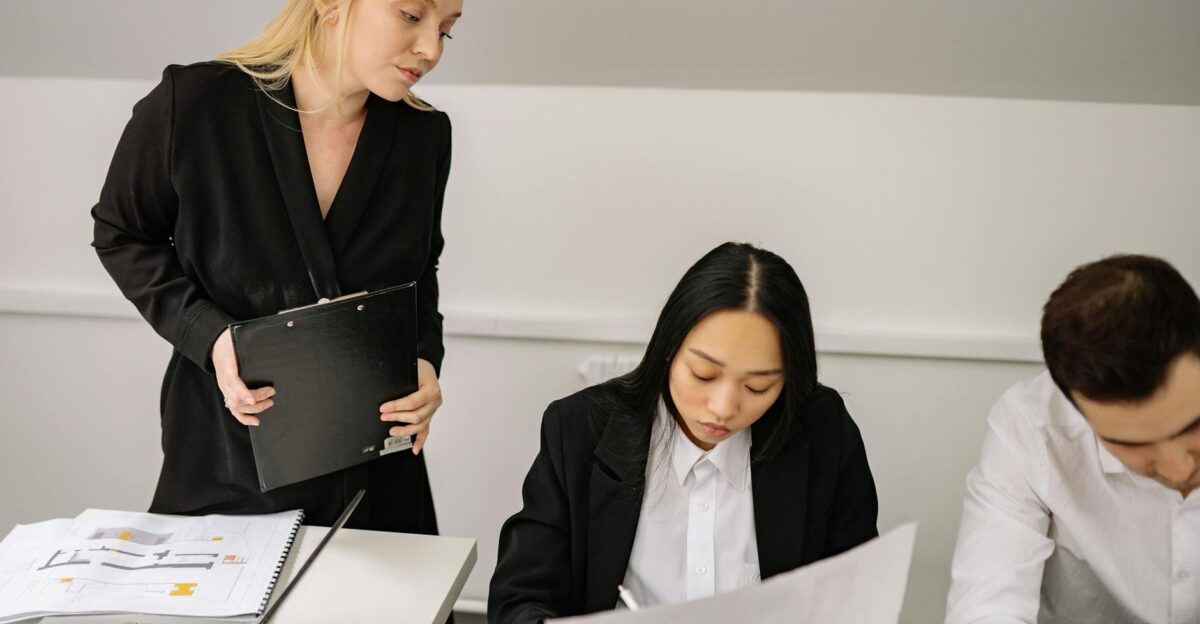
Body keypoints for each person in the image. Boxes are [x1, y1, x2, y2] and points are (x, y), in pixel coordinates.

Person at [90, 0, 462, 532]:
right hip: (227, 454)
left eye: (448, 32)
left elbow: (421, 268)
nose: (430, 49)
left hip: (379, 466)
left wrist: (424, 360)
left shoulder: (425, 135)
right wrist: (212, 337)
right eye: (410, 15)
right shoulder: (194, 103)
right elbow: (122, 234)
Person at [489, 242, 880, 623]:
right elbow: (519, 599)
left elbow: (859, 596)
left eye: (757, 387)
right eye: (703, 375)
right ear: (668, 347)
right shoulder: (580, 430)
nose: (723, 408)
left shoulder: (824, 433)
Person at [946, 255, 1200, 624]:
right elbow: (986, 607)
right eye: (1132, 444)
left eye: (1192, 425)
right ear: (1071, 405)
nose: (1180, 469)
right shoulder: (1031, 427)